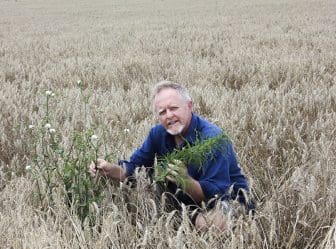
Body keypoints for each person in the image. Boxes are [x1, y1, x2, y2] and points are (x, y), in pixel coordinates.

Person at [89, 81, 254, 231]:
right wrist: (110, 169)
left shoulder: (212, 138)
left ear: (189, 106)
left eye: (173, 108)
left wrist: (184, 179)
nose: (168, 115)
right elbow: (133, 169)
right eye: (162, 112)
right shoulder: (157, 134)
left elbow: (215, 193)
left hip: (227, 201)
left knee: (208, 224)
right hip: (187, 204)